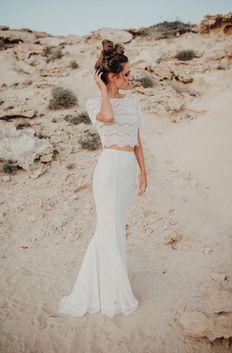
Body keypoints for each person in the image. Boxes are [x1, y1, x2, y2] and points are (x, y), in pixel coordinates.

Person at [59, 39, 147, 318]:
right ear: (112, 77)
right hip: (108, 170)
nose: (132, 79)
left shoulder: (132, 102)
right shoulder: (95, 103)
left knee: (117, 227)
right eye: (127, 75)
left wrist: (144, 172)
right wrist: (103, 92)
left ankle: (113, 283)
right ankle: (105, 290)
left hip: (127, 169)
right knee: (107, 228)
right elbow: (107, 119)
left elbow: (137, 142)